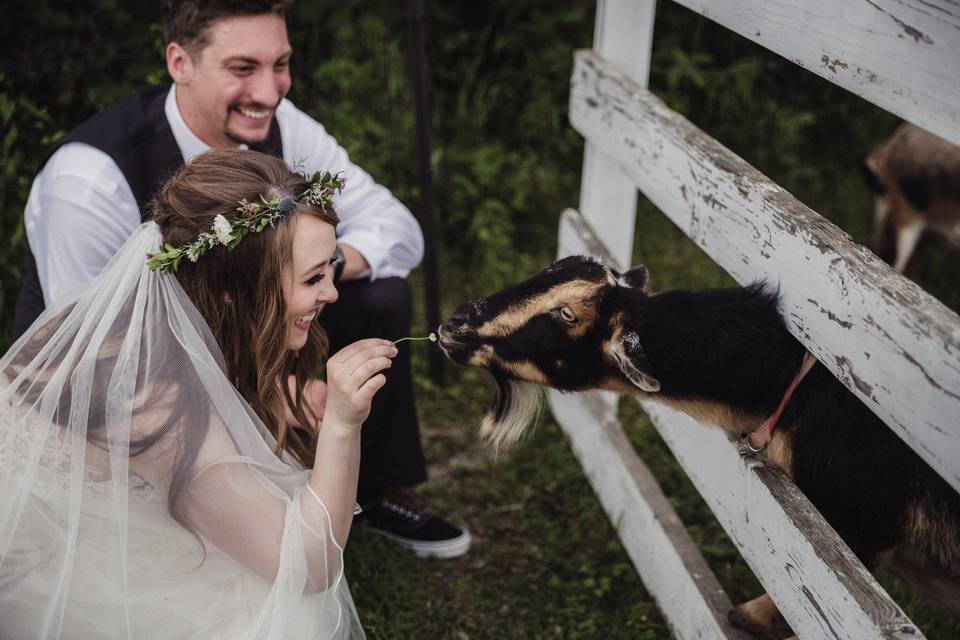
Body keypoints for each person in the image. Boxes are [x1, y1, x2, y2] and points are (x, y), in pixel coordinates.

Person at [11, 0, 469, 557]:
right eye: (243, 68)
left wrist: (316, 275)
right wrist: (276, 391)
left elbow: (398, 227)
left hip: (237, 332)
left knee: (380, 294)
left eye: (281, 64)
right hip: (110, 381)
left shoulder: (280, 123)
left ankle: (371, 492)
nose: (270, 91)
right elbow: (99, 359)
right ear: (180, 62)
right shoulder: (90, 180)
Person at [1, 148, 391, 638]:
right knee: (278, 612)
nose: (332, 292)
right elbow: (310, 569)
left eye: (330, 266)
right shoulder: (166, 412)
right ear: (234, 293)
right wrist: (342, 425)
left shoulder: (138, 319)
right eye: (313, 278)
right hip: (41, 578)